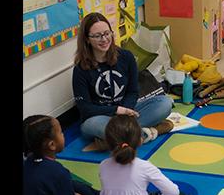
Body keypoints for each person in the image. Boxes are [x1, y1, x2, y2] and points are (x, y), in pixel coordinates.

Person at [72, 12, 174, 150]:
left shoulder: (126, 57)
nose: (104, 39)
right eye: (97, 36)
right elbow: (85, 107)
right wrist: (117, 110)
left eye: (107, 33)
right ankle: (150, 132)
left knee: (165, 103)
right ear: (87, 39)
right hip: (101, 117)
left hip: (128, 113)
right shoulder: (80, 69)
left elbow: (133, 91)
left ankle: (111, 141)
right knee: (91, 126)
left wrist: (127, 112)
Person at [98, 115, 192, 195]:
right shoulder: (144, 166)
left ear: (108, 142)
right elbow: (172, 192)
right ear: (141, 141)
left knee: (140, 194)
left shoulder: (103, 165)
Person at [23, 115, 102, 195]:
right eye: (60, 132)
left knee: (73, 183)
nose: (64, 134)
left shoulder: (28, 162)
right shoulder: (56, 172)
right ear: (52, 145)